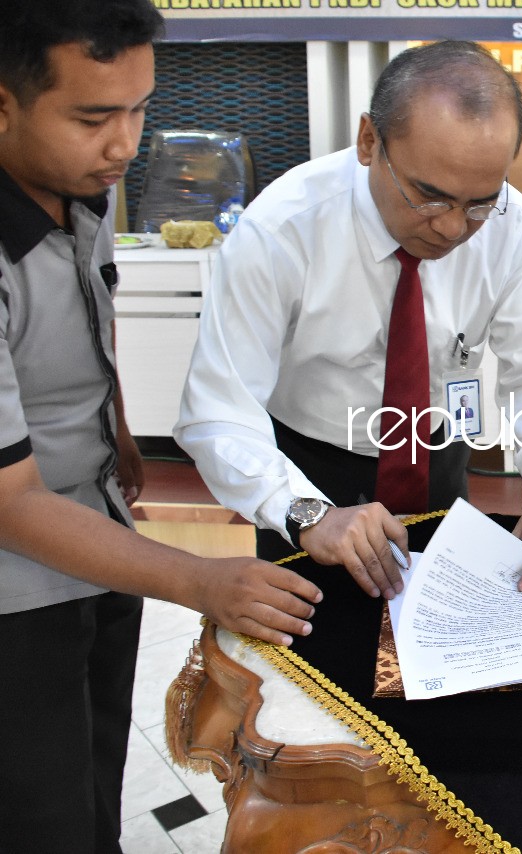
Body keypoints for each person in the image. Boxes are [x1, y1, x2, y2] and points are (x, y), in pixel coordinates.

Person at [0, 2, 322, 850]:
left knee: (95, 773)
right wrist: (199, 579)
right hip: (15, 587)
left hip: (99, 533)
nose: (126, 145)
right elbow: (10, 503)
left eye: (140, 109)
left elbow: (91, 311)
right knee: (38, 810)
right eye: (93, 118)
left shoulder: (81, 187)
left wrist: (115, 431)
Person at [176, 41, 522, 598]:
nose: (453, 228)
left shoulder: (512, 224)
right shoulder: (283, 229)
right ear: (370, 141)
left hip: (438, 454)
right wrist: (305, 511)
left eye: (479, 203)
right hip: (309, 468)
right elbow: (218, 411)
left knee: (439, 627)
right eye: (429, 197)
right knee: (315, 641)